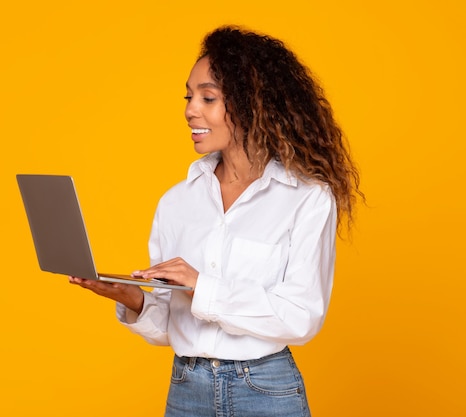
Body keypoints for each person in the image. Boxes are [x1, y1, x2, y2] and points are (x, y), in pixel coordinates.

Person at [69, 25, 363, 417]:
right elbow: (170, 325)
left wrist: (201, 285)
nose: (191, 109)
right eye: (190, 97)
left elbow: (301, 317)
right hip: (186, 389)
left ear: (252, 103)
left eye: (208, 97)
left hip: (264, 391)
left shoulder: (306, 198)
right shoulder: (176, 202)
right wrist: (130, 298)